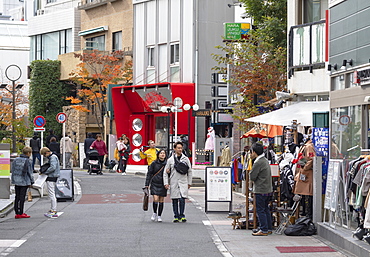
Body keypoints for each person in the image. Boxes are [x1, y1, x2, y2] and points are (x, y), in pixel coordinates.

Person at [164, 141, 192, 223]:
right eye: (178, 148)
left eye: (181, 148)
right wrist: (166, 182)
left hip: (183, 181)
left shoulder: (186, 159)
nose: (180, 149)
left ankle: (182, 215)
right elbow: (165, 173)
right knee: (175, 199)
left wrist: (189, 182)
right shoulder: (170, 160)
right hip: (174, 181)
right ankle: (176, 216)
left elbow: (189, 171)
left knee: (182, 199)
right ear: (174, 149)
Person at [249, 143, 273, 236]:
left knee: (260, 210)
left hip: (260, 189)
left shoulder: (258, 162)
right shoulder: (265, 160)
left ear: (254, 152)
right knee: (266, 209)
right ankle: (268, 228)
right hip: (267, 189)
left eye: (251, 152)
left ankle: (263, 229)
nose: (250, 154)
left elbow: (252, 176)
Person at [11, 146, 34, 219]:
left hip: (16, 180)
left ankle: (16, 212)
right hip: (24, 180)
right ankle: (21, 212)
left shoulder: (16, 160)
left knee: (17, 196)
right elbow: (30, 172)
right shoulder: (28, 161)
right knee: (22, 197)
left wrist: (13, 179)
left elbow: (13, 170)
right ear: (28, 153)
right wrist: (32, 181)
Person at [145, 150, 167, 222]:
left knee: (161, 200)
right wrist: (147, 184)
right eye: (161, 153)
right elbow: (149, 173)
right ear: (158, 155)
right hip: (155, 183)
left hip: (163, 183)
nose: (162, 155)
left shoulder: (167, 164)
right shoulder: (154, 163)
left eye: (164, 153)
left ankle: (159, 215)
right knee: (155, 199)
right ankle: (154, 213)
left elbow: (170, 174)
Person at [40, 147, 60, 218]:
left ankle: (53, 210)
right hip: (54, 176)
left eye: (44, 155)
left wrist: (45, 172)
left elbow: (53, 167)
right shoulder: (53, 157)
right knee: (52, 193)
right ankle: (53, 209)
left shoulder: (53, 158)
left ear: (47, 152)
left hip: (52, 176)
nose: (45, 156)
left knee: (51, 193)